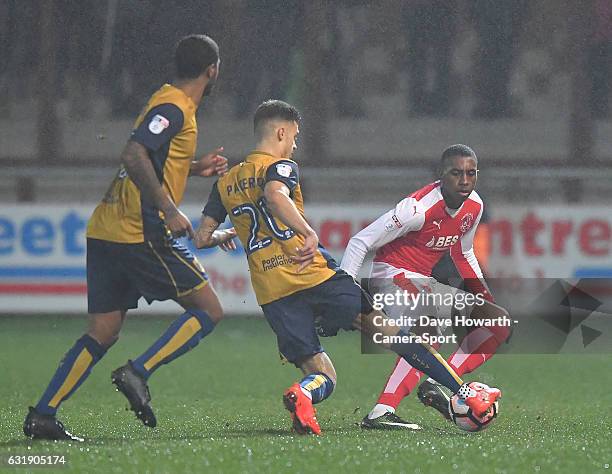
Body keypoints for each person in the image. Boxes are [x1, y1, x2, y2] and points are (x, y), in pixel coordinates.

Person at [195, 101, 501, 435]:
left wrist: (225, 233)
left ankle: (303, 393)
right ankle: (465, 394)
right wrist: (308, 232)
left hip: (272, 293)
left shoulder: (225, 183)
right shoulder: (281, 167)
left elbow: (201, 237)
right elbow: (274, 194)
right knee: (397, 337)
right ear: (281, 132)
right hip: (315, 275)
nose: (294, 145)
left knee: (323, 373)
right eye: (294, 137)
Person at [24, 34, 231, 441]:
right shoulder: (176, 107)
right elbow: (134, 154)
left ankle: (44, 416)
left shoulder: (165, 97)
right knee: (209, 310)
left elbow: (152, 157)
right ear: (213, 70)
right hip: (139, 231)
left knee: (103, 329)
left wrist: (192, 167)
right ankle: (137, 372)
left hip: (106, 228)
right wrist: (170, 209)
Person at [339, 144, 511, 430]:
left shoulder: (475, 206)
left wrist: (484, 296)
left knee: (499, 322)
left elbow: (462, 253)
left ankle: (436, 382)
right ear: (441, 175)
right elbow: (360, 241)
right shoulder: (416, 209)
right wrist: (344, 293)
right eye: (456, 173)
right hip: (391, 276)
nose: (464, 180)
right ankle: (382, 412)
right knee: (427, 329)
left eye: (471, 173)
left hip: (422, 281)